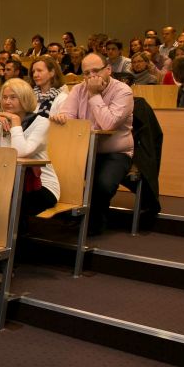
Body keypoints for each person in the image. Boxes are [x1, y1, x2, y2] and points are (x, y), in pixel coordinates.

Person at [52, 52, 134, 235]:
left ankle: (95, 222)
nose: (91, 77)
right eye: (86, 73)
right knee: (60, 173)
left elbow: (108, 124)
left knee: (102, 185)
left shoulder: (123, 91)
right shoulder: (78, 89)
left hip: (115, 152)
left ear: (108, 70)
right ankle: (72, 215)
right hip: (84, 149)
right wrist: (62, 118)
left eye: (96, 71)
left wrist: (94, 94)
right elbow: (68, 116)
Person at [0, 79, 60, 225]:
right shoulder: (1, 121)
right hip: (8, 182)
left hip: (40, 186)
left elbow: (20, 152)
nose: (7, 102)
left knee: (8, 202)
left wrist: (15, 122)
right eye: (4, 97)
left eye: (13, 97)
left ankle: (13, 238)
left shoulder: (41, 122)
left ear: (25, 99)